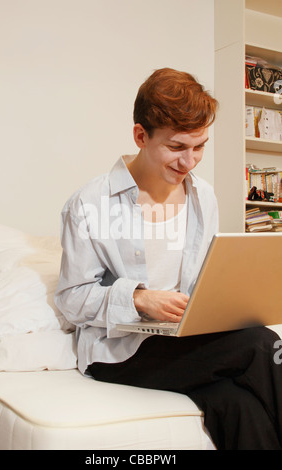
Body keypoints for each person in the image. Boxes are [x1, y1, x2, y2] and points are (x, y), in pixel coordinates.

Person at [55, 68, 282, 450]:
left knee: (237, 404)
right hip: (120, 348)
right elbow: (71, 298)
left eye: (200, 147)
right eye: (177, 147)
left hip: (184, 337)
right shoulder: (89, 203)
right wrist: (139, 298)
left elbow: (206, 276)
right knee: (262, 344)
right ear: (141, 135)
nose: (190, 161)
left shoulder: (202, 196)